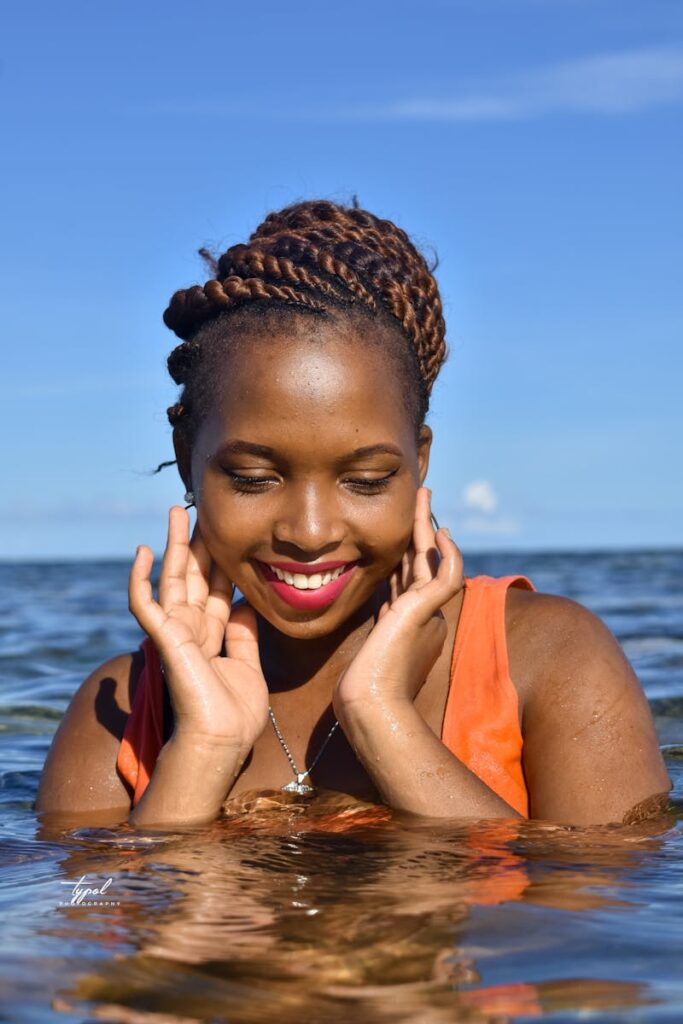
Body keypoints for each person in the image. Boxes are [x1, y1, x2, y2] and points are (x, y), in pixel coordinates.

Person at [35, 198, 671, 829]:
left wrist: (383, 720)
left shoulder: (550, 660)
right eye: (254, 479)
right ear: (186, 460)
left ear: (419, 463)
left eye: (366, 480)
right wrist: (201, 751)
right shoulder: (120, 713)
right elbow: (101, 916)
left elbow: (598, 921)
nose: (310, 533)